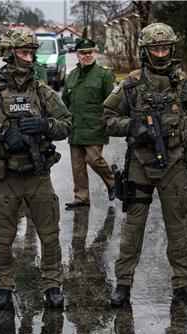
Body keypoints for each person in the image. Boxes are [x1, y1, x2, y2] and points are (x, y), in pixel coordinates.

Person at [103, 22, 187, 307]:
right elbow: (106, 117)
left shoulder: (185, 84)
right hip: (140, 164)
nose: (161, 54)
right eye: (155, 48)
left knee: (177, 228)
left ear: (172, 49)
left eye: (165, 48)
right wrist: (131, 126)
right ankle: (123, 284)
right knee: (133, 228)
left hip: (175, 165)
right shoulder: (132, 83)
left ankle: (184, 283)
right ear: (146, 50)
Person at [0, 28, 72, 310]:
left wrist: (45, 125)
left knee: (49, 235)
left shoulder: (41, 89)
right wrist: (2, 132)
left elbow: (66, 123)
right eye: (23, 52)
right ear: (10, 53)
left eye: (31, 52)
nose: (28, 58)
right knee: (3, 238)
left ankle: (53, 285)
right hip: (7, 177)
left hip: (38, 176)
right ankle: (3, 286)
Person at [61, 37, 116, 210]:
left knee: (94, 160)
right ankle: (81, 198)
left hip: (95, 127)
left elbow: (113, 102)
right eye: (83, 53)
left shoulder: (104, 74)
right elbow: (65, 100)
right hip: (75, 128)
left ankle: (113, 182)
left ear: (94, 53)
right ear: (77, 55)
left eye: (90, 52)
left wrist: (108, 122)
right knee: (77, 167)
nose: (87, 56)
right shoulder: (72, 76)